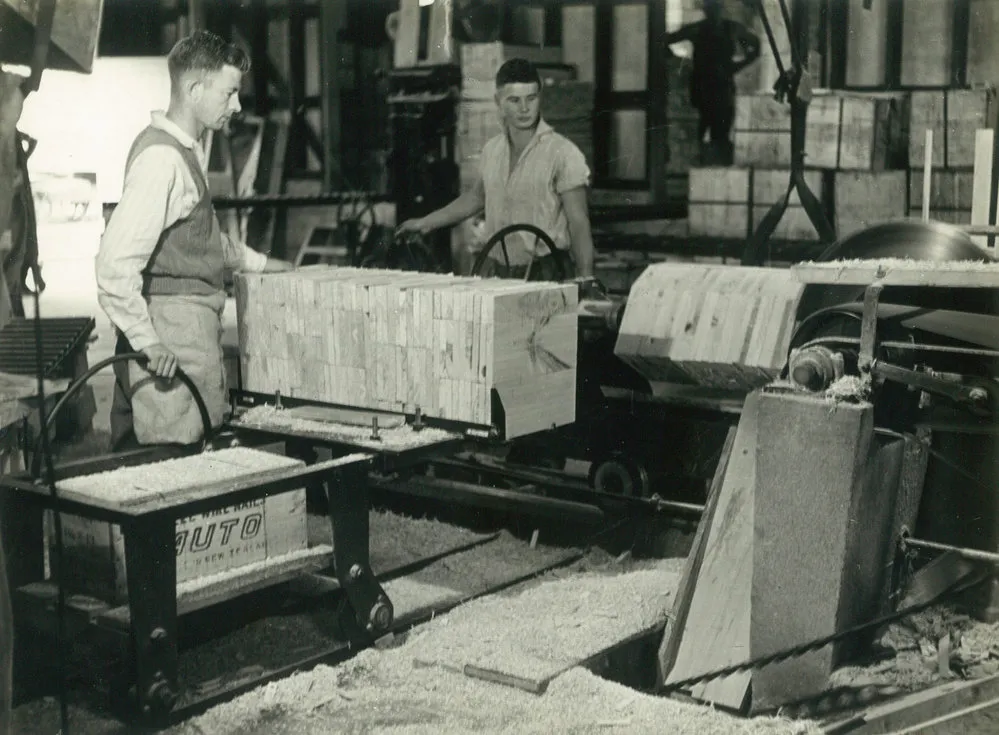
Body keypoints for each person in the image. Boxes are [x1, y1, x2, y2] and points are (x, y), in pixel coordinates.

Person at [96, 31, 292, 450]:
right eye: (229, 93)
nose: (236, 106)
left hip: (184, 327)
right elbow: (114, 266)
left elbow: (200, 242)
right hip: (173, 332)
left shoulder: (184, 152)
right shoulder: (163, 160)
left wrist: (263, 265)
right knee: (169, 461)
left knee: (182, 457)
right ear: (194, 88)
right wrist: (148, 340)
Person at [398, 58, 595, 280]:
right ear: (498, 102)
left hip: (546, 272)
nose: (524, 109)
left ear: (540, 98)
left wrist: (586, 279)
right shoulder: (492, 150)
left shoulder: (564, 153)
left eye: (531, 98)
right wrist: (425, 222)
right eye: (514, 100)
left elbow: (579, 222)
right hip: (498, 272)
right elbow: (475, 197)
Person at [665, 0, 760, 165]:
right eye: (710, 8)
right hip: (704, 86)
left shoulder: (731, 28)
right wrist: (676, 60)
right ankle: (704, 161)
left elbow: (755, 46)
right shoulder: (698, 29)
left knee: (721, 127)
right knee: (704, 123)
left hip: (722, 85)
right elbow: (667, 40)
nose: (713, 12)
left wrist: (737, 66)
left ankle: (717, 163)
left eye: (715, 8)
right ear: (706, 10)